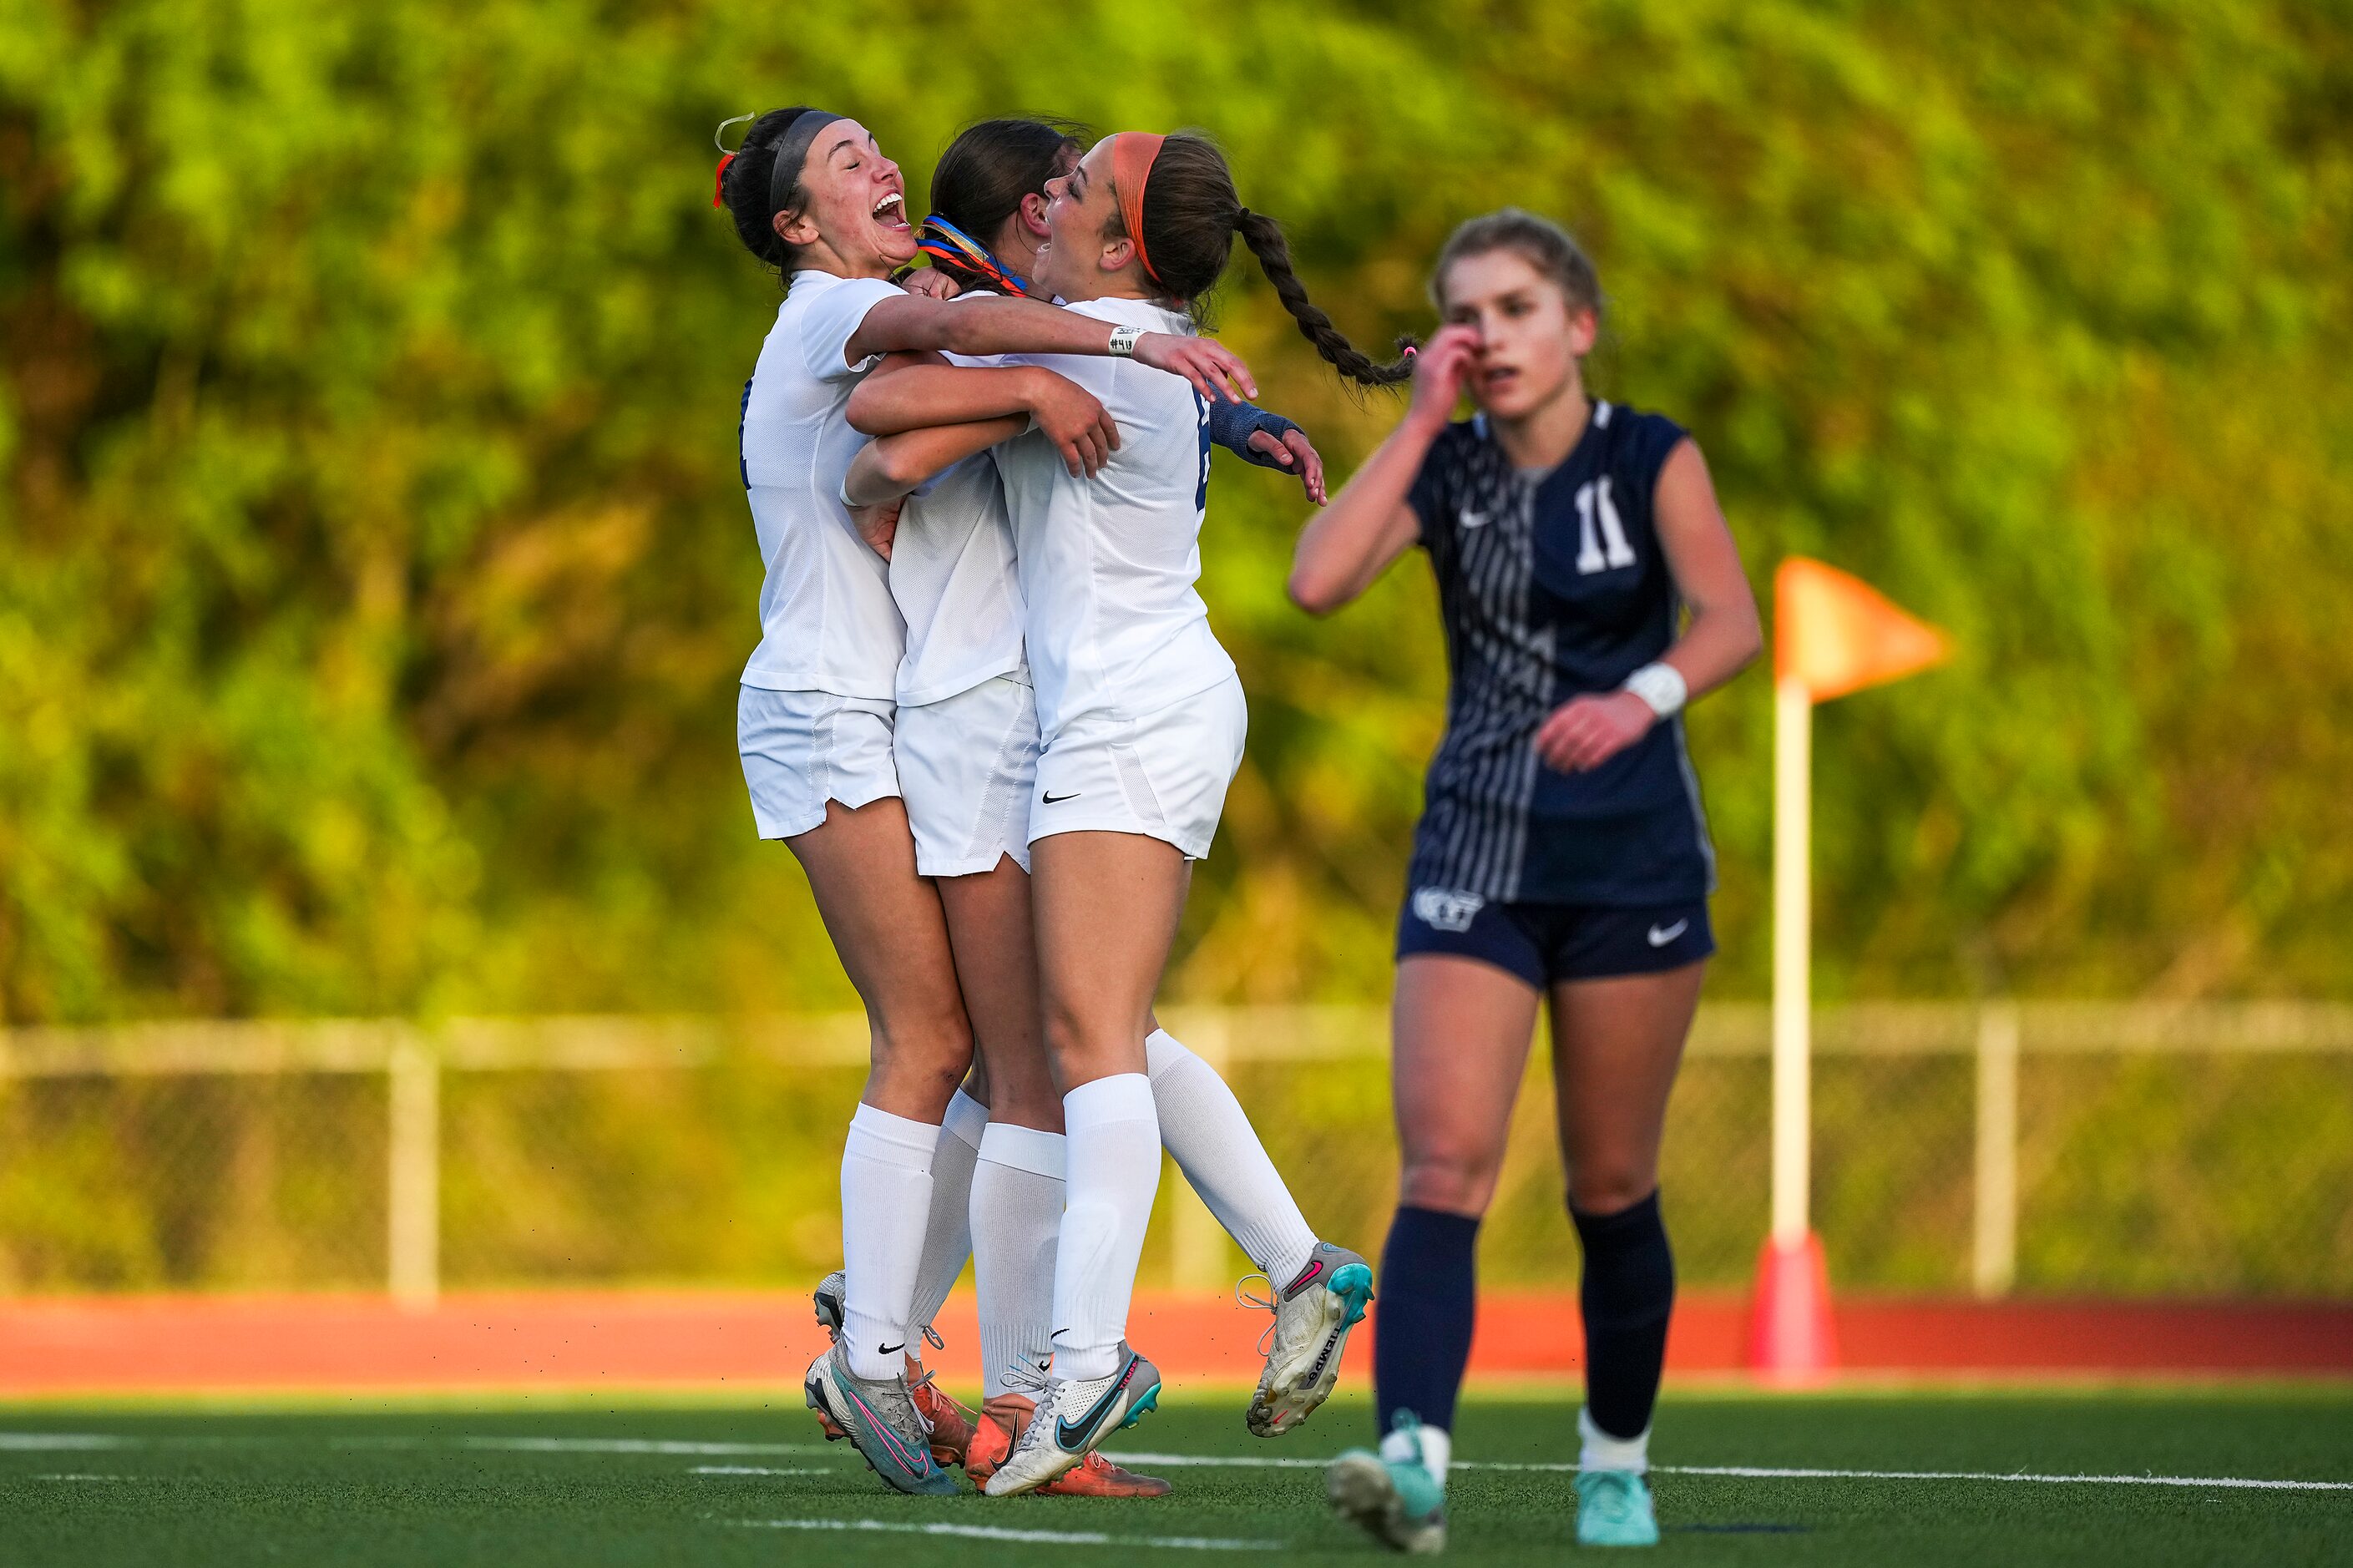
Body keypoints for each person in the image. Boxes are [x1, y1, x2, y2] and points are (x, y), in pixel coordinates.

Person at [843, 129, 1411, 1496]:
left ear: (1109, 246)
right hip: (1126, 713)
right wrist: (1048, 381)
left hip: (1129, 716)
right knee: (1094, 1039)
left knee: (1091, 1046)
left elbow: (883, 412)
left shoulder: (1097, 336)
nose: (1046, 201)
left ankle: (1079, 1362)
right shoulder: (1111, 334)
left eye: (1077, 189)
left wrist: (1025, 383)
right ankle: (1222, 1295)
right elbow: (929, 398)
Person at [711, 104, 1255, 1498]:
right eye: (844, 162)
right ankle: (899, 1353)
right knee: (959, 1045)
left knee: (1001, 1055)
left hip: (873, 709)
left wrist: (1197, 397)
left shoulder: (903, 303)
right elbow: (915, 392)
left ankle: (955, 1360)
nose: (880, 167)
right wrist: (1095, 358)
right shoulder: (844, 307)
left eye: (875, 148)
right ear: (793, 225)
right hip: (843, 706)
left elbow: (955, 372)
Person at [1290, 210, 1761, 1551]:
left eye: (1512, 308)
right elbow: (1318, 579)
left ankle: (1613, 1459)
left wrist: (1643, 696)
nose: (1487, 334)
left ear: (1577, 326)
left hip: (1629, 863)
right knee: (1443, 1161)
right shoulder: (1445, 472)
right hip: (1475, 854)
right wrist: (1419, 420)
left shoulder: (1647, 455)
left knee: (1609, 1188)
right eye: (1464, 313)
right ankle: (1413, 1464)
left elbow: (1730, 616)